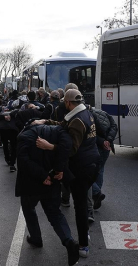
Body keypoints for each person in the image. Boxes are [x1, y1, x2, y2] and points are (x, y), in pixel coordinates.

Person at [34, 89, 100, 258]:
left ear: (69, 103)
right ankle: (84, 232)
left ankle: (83, 245)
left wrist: (50, 147)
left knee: (80, 206)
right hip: (92, 162)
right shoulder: (85, 113)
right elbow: (63, 125)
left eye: (65, 102)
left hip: (82, 167)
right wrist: (45, 121)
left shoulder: (77, 119)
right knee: (82, 202)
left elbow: (70, 149)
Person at [16, 123, 79, 266]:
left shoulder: (25, 135)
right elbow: (65, 148)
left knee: (28, 209)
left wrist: (42, 175)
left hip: (31, 182)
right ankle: (69, 241)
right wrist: (59, 170)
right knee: (55, 214)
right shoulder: (59, 132)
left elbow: (23, 160)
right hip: (53, 180)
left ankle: (36, 237)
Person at [87, 106, 117, 219]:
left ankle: (96, 193)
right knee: (100, 170)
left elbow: (91, 134)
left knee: (89, 172)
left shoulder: (88, 117)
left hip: (97, 147)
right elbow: (114, 126)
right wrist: (108, 140)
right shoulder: (104, 113)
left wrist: (102, 141)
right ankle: (97, 195)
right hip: (107, 147)